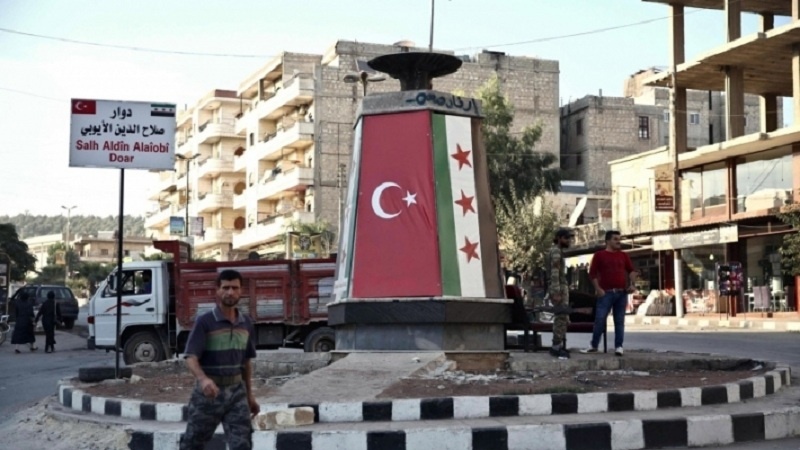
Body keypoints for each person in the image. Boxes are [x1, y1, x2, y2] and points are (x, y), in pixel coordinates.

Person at [180, 269, 260, 450]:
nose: (230, 292)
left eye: (234, 288)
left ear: (241, 291)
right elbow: (191, 357)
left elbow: (246, 362)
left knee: (242, 445)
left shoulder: (246, 323)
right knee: (192, 444)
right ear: (217, 290)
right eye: (225, 287)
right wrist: (203, 379)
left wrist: (249, 395)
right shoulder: (205, 322)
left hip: (237, 395)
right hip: (209, 395)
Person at [582, 230, 638, 356]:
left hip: (621, 293)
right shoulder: (599, 255)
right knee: (600, 319)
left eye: (619, 239)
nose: (618, 241)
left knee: (619, 321)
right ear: (607, 241)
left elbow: (632, 271)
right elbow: (592, 274)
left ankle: (619, 347)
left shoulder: (623, 255)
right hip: (605, 293)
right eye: (615, 239)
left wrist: (632, 284)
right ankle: (594, 345)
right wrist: (598, 289)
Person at [547, 228, 573, 360]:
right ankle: (556, 347)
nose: (569, 240)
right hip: (559, 288)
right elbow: (555, 273)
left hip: (560, 287)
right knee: (561, 317)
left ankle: (558, 345)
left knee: (562, 318)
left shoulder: (557, 251)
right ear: (559, 238)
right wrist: (556, 291)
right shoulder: (556, 251)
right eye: (566, 238)